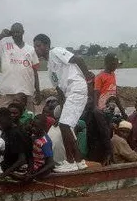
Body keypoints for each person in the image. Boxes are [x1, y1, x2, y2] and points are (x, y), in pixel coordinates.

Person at [33, 34, 93, 172]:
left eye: (39, 45)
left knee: (65, 126)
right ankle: (79, 161)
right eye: (35, 46)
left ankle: (71, 162)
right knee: (65, 125)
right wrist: (61, 113)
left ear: (47, 45)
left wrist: (88, 77)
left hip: (77, 88)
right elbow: (60, 92)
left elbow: (78, 59)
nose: (37, 48)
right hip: (69, 93)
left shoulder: (56, 52)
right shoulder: (49, 69)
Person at [0, 22, 40, 106]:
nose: (16, 34)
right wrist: (1, 35)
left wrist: (38, 91)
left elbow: (35, 73)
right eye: (13, 32)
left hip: (27, 92)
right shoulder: (5, 47)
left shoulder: (31, 49)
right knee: (9, 117)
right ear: (11, 34)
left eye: (18, 32)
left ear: (23, 32)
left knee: (28, 116)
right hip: (9, 92)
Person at [0, 106, 33, 179]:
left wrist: (2, 175)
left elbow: (22, 159)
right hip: (9, 167)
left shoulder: (16, 133)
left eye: (2, 123)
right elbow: (11, 150)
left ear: (10, 119)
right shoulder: (6, 131)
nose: (0, 126)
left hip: (20, 170)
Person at [80, 95, 113, 165]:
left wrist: (109, 152)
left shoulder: (97, 113)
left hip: (97, 147)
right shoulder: (85, 112)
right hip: (90, 145)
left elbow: (105, 133)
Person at [29, 115, 55, 179]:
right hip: (32, 166)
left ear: (43, 126)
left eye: (36, 126)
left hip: (39, 169)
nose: (33, 128)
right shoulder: (34, 136)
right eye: (32, 125)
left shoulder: (45, 142)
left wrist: (35, 175)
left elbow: (51, 163)